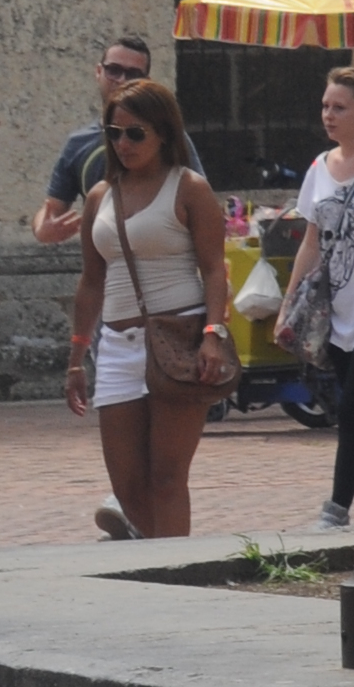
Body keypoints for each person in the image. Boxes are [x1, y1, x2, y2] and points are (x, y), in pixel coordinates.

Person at [62, 77, 235, 540]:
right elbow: (91, 280)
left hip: (178, 340)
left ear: (163, 133)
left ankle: (174, 570)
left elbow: (214, 270)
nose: (124, 143)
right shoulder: (100, 196)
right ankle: (155, 556)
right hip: (117, 346)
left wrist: (213, 334)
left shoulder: (189, 188)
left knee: (166, 478)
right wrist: (76, 356)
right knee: (126, 486)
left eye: (135, 133)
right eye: (114, 132)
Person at [274, 65, 354, 533]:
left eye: (339, 107)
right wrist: (288, 304)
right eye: (325, 106)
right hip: (335, 311)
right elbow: (310, 240)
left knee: (353, 409)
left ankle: (337, 508)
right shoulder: (319, 167)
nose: (328, 114)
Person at [31, 37, 156, 246]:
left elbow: (197, 200)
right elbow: (52, 207)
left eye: (133, 74)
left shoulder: (165, 137)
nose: (121, 80)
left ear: (147, 82)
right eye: (113, 70)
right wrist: (42, 230)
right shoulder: (79, 144)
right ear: (99, 72)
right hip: (103, 261)